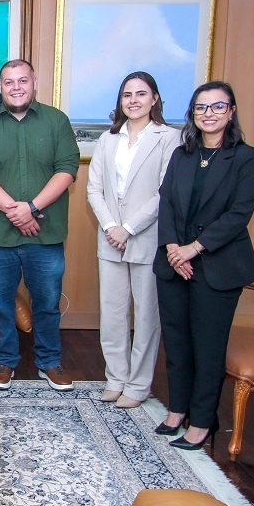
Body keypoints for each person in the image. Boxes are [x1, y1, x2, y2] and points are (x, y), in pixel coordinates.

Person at [153, 81, 254, 450]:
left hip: (216, 266)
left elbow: (239, 214)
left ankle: (203, 421)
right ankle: (178, 409)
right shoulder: (183, 154)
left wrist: (193, 249)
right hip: (173, 263)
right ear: (192, 114)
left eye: (217, 106)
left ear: (231, 111)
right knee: (178, 341)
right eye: (201, 107)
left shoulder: (246, 157)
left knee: (208, 345)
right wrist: (172, 248)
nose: (208, 113)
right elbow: (165, 201)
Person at [0, 59, 79, 391]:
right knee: (0, 302)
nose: (16, 87)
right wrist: (15, 211)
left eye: (23, 81)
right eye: (9, 82)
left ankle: (49, 362)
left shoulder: (56, 121)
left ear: (34, 83)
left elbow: (67, 169)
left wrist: (31, 207)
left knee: (46, 302)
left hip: (46, 235)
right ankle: (4, 360)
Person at [86, 72, 180, 409]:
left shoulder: (169, 138)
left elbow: (164, 193)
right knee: (111, 314)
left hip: (146, 238)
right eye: (127, 95)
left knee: (145, 316)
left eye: (141, 94)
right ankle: (115, 378)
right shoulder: (109, 139)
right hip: (110, 238)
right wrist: (112, 226)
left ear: (155, 98)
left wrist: (129, 227)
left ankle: (138, 385)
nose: (134, 100)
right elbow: (93, 188)